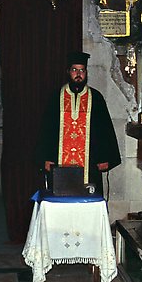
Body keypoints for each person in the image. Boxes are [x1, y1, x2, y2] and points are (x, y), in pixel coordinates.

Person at [34, 51, 121, 197]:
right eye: (75, 70)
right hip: (59, 161)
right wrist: (46, 157)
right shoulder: (56, 97)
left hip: (90, 162)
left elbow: (104, 129)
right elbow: (46, 129)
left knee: (88, 198)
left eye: (82, 70)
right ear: (68, 72)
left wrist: (104, 157)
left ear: (86, 72)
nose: (78, 74)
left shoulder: (96, 97)